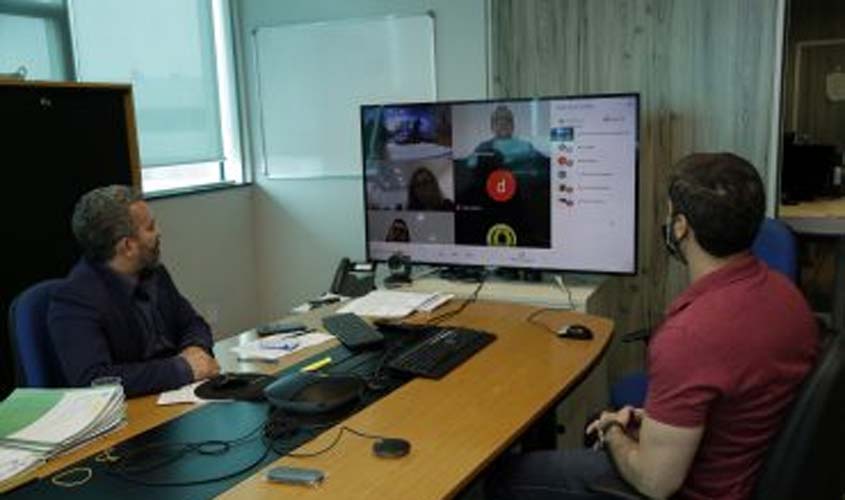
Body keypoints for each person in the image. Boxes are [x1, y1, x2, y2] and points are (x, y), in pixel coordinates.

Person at [487, 153, 820, 500]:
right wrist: (654, 421)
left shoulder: (689, 336)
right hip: (741, 465)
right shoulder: (788, 297)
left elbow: (656, 483)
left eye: (669, 212)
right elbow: (737, 398)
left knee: (507, 476)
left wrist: (613, 432)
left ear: (681, 227)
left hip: (695, 490)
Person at [48, 185, 219, 397]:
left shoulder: (154, 273)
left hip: (180, 395)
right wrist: (181, 369)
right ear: (127, 246)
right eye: (150, 228)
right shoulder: (75, 299)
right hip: (135, 410)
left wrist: (195, 349)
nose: (158, 233)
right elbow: (94, 379)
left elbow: (193, 323)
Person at [468, 105, 540, 167]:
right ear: (492, 127)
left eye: (507, 120)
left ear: (513, 125)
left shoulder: (526, 146)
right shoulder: (483, 147)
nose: (503, 123)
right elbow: (470, 165)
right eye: (497, 120)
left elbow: (541, 164)